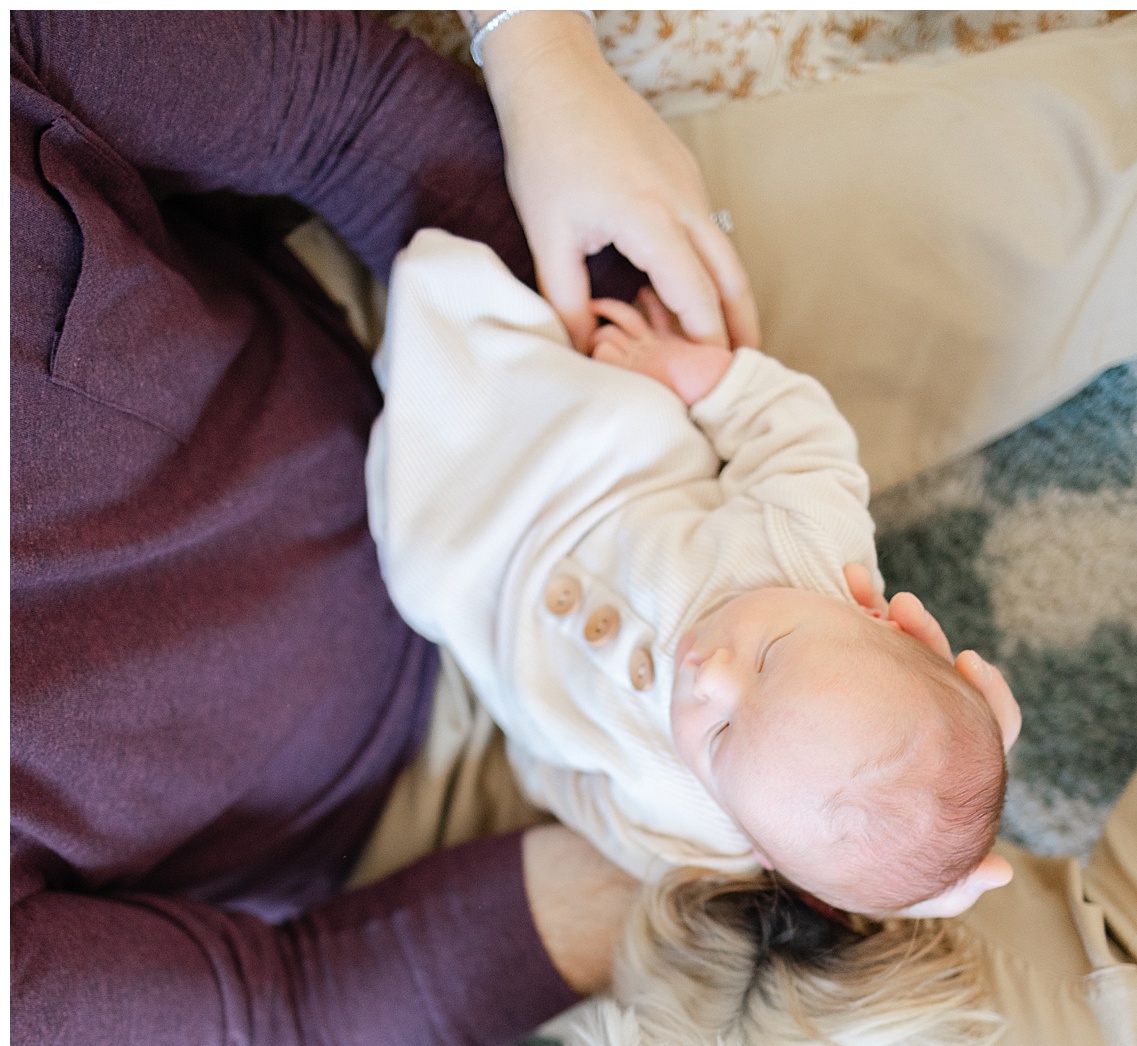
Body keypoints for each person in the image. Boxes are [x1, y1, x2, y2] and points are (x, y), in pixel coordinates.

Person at [11, 9, 740, 1046]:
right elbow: (278, 1017)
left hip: (451, 373)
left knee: (1085, 185)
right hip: (412, 827)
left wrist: (605, 367)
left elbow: (337, 116)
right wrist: (694, 876)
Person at [368, 230, 1018, 916]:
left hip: (490, 596)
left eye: (720, 740)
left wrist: (536, 743)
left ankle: (389, 400)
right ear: (873, 614)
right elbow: (792, 428)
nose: (708, 676)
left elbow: (598, 807)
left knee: (421, 573)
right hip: (589, 468)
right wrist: (685, 369)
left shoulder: (706, 830)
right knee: (497, 335)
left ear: (761, 849)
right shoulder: (814, 551)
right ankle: (428, 316)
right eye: (770, 658)